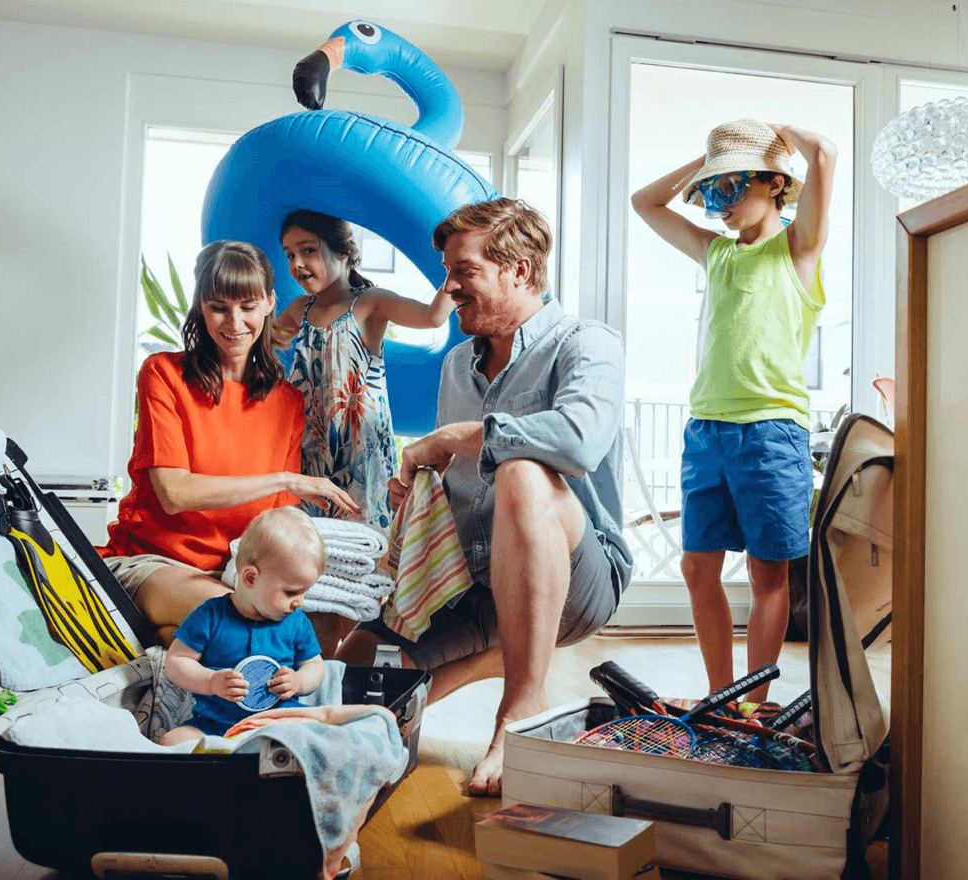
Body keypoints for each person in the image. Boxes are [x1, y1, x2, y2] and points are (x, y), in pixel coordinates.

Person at [336, 198, 632, 797]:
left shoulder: (586, 343)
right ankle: (486, 662)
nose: (448, 286)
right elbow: (458, 483)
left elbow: (577, 442)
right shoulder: (455, 368)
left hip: (578, 581)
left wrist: (457, 437)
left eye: (462, 270)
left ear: (518, 270)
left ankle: (521, 705)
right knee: (361, 671)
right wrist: (417, 495)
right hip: (474, 585)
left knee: (522, 472)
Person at [630, 119, 837, 702]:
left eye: (730, 189)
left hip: (772, 432)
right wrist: (708, 164)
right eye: (710, 191)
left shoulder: (797, 249)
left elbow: (825, 150)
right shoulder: (716, 253)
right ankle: (722, 697)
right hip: (707, 433)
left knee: (769, 575)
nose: (717, 204)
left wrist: (784, 134)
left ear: (774, 183)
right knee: (698, 569)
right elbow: (644, 202)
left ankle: (754, 701)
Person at [99, 241, 358, 648]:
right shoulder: (163, 373)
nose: (235, 322)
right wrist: (284, 479)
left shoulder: (287, 401)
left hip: (231, 575)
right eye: (219, 306)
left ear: (270, 303)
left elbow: (275, 525)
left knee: (317, 629)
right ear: (201, 307)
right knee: (240, 619)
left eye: (248, 306)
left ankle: (174, 644)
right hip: (152, 563)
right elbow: (174, 493)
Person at [275, 210, 455, 654]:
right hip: (311, 458)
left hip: (361, 459)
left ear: (343, 251)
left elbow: (433, 318)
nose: (299, 265)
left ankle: (344, 657)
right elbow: (263, 343)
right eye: (291, 255)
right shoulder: (300, 309)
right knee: (312, 564)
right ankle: (312, 659)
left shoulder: (369, 303)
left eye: (309, 251)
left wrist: (456, 270)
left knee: (359, 563)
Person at [159, 506, 326, 745]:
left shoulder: (296, 622)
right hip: (215, 726)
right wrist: (210, 681)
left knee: (315, 733)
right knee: (171, 741)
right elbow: (176, 662)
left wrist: (299, 681)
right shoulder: (210, 616)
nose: (299, 602)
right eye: (291, 592)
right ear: (250, 578)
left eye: (304, 592)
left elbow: (315, 666)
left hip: (278, 721)